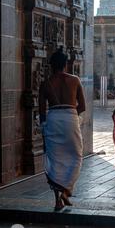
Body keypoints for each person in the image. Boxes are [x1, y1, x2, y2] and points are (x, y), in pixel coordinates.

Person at [39, 47, 86, 211]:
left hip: (53, 120)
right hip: (70, 119)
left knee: (54, 159)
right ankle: (67, 189)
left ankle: (57, 200)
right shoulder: (75, 80)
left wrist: (44, 129)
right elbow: (83, 106)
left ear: (51, 66)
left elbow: (41, 112)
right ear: (66, 64)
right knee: (76, 156)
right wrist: (71, 115)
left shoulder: (45, 84)